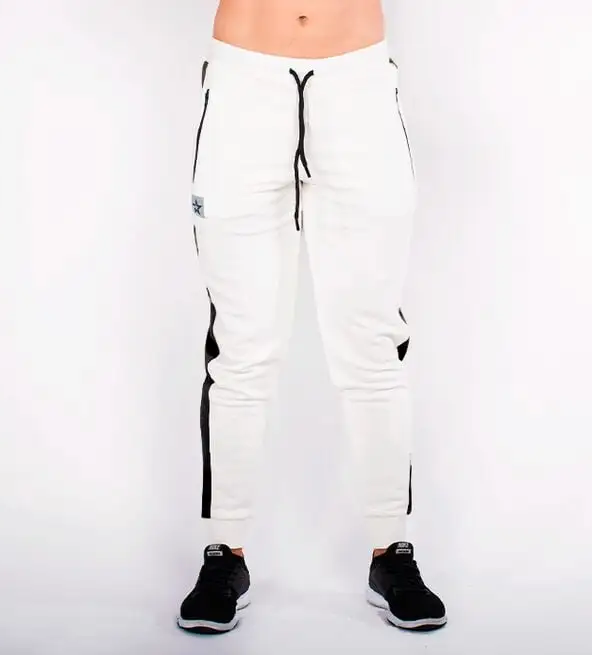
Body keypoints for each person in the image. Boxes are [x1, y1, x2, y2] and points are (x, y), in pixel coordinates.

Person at [177, 0, 447, 634]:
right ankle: (225, 553)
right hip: (244, 84)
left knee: (371, 339)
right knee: (242, 345)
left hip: (357, 86)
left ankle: (391, 551)